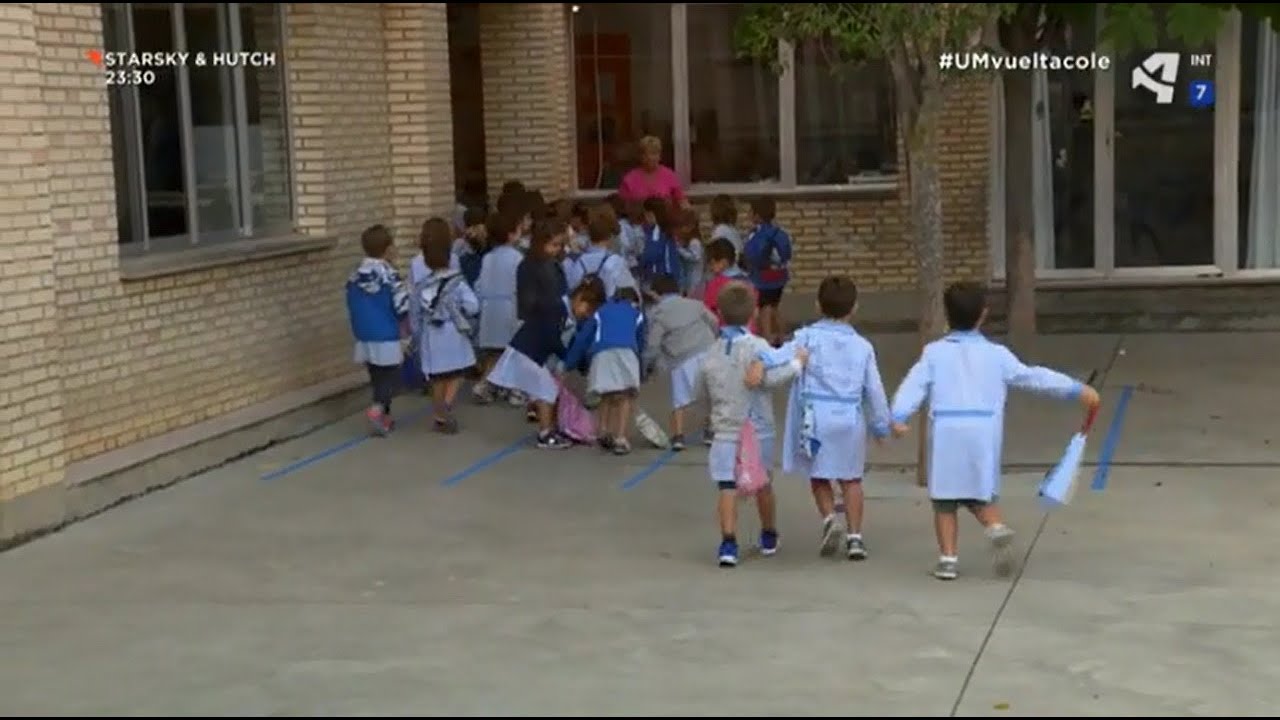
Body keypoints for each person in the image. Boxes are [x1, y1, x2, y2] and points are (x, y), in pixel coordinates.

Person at [890, 281, 1102, 581]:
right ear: (983, 315)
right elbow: (1032, 378)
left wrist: (899, 414)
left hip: (947, 430)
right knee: (980, 493)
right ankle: (995, 527)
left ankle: (948, 559)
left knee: (944, 501)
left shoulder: (934, 353)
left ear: (947, 316)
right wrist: (1075, 389)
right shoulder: (997, 355)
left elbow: (914, 384)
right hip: (982, 430)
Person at [694, 282, 808, 568]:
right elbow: (770, 379)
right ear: (754, 313)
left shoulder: (711, 352)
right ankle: (768, 534)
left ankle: (728, 544)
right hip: (757, 430)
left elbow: (700, 391)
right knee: (763, 484)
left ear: (719, 313)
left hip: (724, 429)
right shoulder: (757, 347)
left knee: (727, 486)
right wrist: (797, 365)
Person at [777, 276, 891, 560]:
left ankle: (829, 519)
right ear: (854, 308)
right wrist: (880, 424)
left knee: (819, 475)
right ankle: (855, 537)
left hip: (816, 418)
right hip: (849, 418)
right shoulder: (863, 346)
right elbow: (874, 388)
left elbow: (779, 358)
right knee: (851, 478)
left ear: (817, 305)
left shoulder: (805, 338)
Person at [486, 219, 577, 449]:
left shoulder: (549, 266)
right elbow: (531, 303)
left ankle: (549, 427)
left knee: (545, 386)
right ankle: (546, 433)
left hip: (535, 335)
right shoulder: (531, 267)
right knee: (546, 387)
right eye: (554, 245)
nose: (557, 250)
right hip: (534, 337)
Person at [410, 218, 480, 434]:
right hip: (453, 327)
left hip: (430, 330)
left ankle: (439, 412)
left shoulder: (415, 264)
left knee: (437, 375)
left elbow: (413, 302)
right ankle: (447, 405)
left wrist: (415, 334)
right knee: (459, 369)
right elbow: (472, 305)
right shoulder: (455, 263)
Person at [562, 285, 646, 455]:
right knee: (625, 395)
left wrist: (569, 362)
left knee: (605, 394)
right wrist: (642, 371)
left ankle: (603, 431)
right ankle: (620, 438)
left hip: (601, 354)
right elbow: (641, 343)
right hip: (626, 352)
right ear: (634, 302)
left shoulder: (600, 312)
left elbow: (583, 338)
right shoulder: (638, 315)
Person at [344, 224, 410, 436]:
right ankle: (377, 409)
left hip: (363, 332)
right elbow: (402, 306)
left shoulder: (354, 275)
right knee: (390, 375)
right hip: (386, 331)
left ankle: (385, 417)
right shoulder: (390, 275)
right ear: (388, 248)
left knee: (375, 374)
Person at [642, 274, 719, 450]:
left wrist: (647, 366)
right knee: (710, 393)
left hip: (681, 357)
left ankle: (678, 436)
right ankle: (710, 431)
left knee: (679, 398)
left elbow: (653, 344)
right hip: (708, 350)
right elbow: (714, 321)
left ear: (656, 294)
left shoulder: (658, 313)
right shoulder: (695, 304)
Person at [471, 211, 524, 405]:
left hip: (489, 308)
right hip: (510, 309)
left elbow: (479, 285)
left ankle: (485, 385)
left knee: (494, 353)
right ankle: (515, 391)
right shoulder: (517, 258)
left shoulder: (488, 258)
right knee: (514, 351)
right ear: (511, 234)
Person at [741, 197, 793, 345]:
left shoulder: (757, 234)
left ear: (757, 215)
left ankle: (767, 339)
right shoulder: (779, 232)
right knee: (775, 308)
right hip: (779, 276)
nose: (749, 215)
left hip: (762, 278)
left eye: (751, 212)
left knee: (765, 309)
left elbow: (751, 255)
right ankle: (783, 337)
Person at [563, 203, 636, 297]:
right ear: (609, 237)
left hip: (589, 307)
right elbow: (629, 289)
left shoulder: (579, 262)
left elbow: (571, 288)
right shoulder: (616, 261)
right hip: (608, 307)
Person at [701, 238, 757, 334]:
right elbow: (755, 312)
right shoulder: (749, 282)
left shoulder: (715, 284)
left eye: (712, 263)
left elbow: (707, 312)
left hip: (723, 333)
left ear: (723, 262)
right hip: (748, 332)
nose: (710, 268)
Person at [618, 135, 687, 208]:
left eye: (656, 153)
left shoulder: (669, 175)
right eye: (649, 153)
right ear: (641, 156)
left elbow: (681, 201)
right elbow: (621, 207)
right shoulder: (629, 179)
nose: (652, 158)